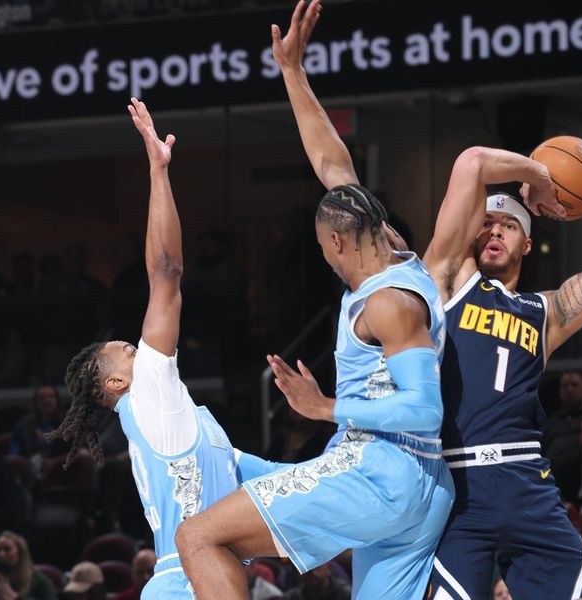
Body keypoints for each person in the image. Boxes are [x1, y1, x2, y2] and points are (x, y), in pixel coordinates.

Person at [271, 3, 582, 598]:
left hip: (526, 476)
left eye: (508, 224)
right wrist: (293, 74)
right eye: (485, 221)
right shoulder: (437, 280)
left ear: (528, 239)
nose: (493, 229)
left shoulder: (546, 313)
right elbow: (341, 175)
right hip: (453, 483)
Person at [174, 8, 453, 598]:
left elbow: (426, 411)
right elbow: (333, 165)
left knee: (199, 536)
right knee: (223, 471)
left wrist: (323, 408)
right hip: (415, 486)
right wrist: (292, 71)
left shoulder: (389, 305)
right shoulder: (397, 253)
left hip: (379, 473)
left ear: (332, 242)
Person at [44, 99, 276, 598]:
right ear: (115, 382)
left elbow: (285, 483)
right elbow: (167, 270)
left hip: (196, 579)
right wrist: (158, 171)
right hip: (190, 584)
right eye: (127, 350)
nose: (138, 348)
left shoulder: (192, 429)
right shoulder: (147, 392)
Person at [0, 532, 56, 600]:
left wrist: (14, 597)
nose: (1, 554)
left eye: (7, 549)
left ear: (20, 552)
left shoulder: (40, 582)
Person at [282, 563, 350, 600]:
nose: (313, 572)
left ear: (328, 567)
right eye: (307, 568)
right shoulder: (290, 597)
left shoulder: (348, 596)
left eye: (317, 566)